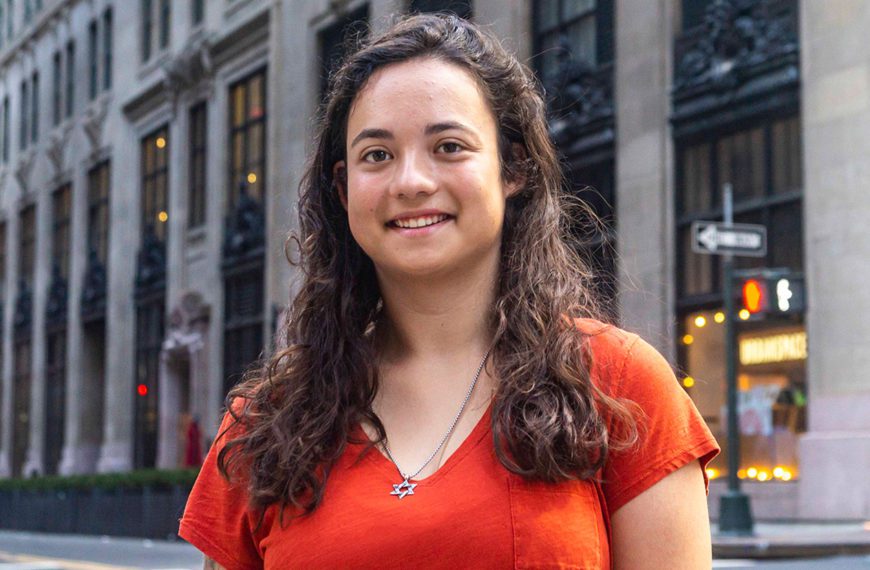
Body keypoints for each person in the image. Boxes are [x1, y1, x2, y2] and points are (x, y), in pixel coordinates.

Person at [179, 13, 719, 569]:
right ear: (343, 190)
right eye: (377, 155)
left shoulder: (621, 386)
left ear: (514, 169)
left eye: (449, 146)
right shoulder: (265, 423)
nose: (411, 181)